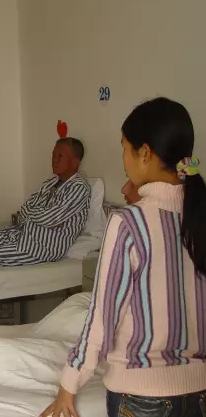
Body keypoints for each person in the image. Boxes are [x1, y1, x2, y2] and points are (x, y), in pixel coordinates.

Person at [41, 97, 206, 417]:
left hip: (142, 397)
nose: (124, 160)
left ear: (144, 153)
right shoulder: (198, 218)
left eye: (124, 148)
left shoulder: (129, 223)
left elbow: (102, 318)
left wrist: (68, 385)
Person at [0, 138, 91, 270]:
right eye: (53, 155)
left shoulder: (78, 187)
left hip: (38, 248)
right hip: (18, 234)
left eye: (60, 156)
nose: (54, 160)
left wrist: (39, 215)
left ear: (75, 162)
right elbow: (26, 209)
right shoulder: (50, 183)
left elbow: (48, 218)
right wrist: (42, 216)